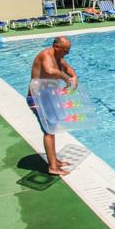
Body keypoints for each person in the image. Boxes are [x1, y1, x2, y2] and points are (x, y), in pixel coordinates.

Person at [28, 36, 77, 176]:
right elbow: (50, 71)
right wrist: (66, 79)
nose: (67, 53)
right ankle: (52, 167)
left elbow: (67, 68)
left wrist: (74, 77)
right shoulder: (46, 55)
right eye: (66, 50)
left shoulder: (58, 57)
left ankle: (54, 160)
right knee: (48, 131)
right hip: (36, 99)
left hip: (47, 97)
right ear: (56, 47)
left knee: (52, 128)